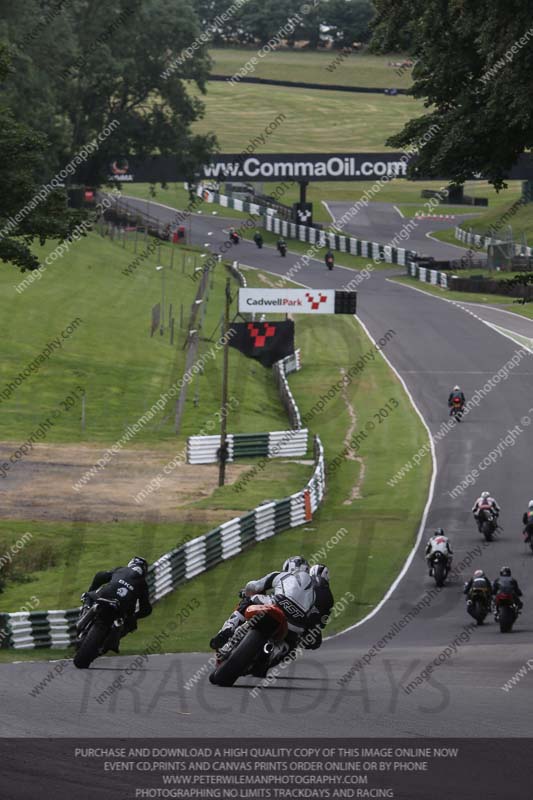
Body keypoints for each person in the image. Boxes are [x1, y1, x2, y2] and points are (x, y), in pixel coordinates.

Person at [209, 556, 315, 654]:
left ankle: (229, 627)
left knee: (250, 599)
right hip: (296, 625)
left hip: (276, 606)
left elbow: (254, 586)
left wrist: (245, 592)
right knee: (292, 645)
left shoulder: (280, 575)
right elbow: (311, 617)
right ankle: (275, 656)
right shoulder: (314, 593)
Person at [81, 557, 152, 652]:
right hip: (122, 607)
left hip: (105, 595)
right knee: (131, 624)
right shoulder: (143, 584)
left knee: (88, 595)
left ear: (130, 564)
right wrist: (136, 616)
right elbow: (146, 609)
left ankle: (84, 615)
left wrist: (92, 589)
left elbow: (100, 575)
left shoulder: (121, 569)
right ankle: (112, 643)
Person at [303, 564, 334, 650]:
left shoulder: (304, 582)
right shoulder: (328, 595)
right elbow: (322, 623)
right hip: (309, 624)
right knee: (315, 643)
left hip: (295, 613)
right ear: (325, 574)